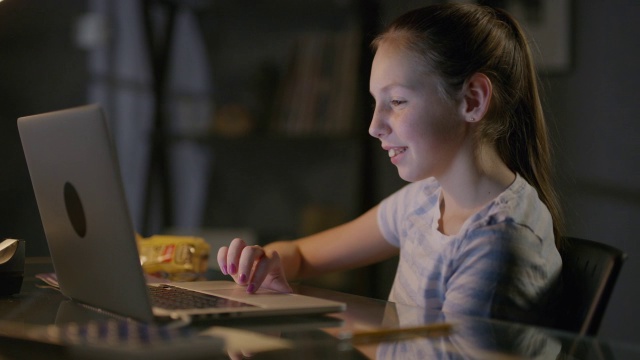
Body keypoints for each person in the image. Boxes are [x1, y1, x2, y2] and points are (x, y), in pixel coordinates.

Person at [217, 3, 563, 325]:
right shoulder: (425, 200)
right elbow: (300, 256)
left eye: (397, 101)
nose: (374, 126)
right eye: (376, 103)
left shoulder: (495, 242)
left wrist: (302, 315)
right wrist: (265, 264)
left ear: (472, 100)